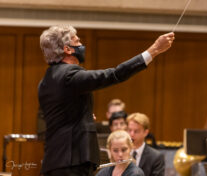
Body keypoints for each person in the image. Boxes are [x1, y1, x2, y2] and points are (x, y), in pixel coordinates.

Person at [38, 25, 174, 176]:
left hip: (54, 160)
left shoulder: (46, 80)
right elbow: (114, 74)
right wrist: (153, 51)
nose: (81, 45)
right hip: (71, 163)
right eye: (77, 42)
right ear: (67, 49)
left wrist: (84, 117)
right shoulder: (69, 75)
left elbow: (61, 117)